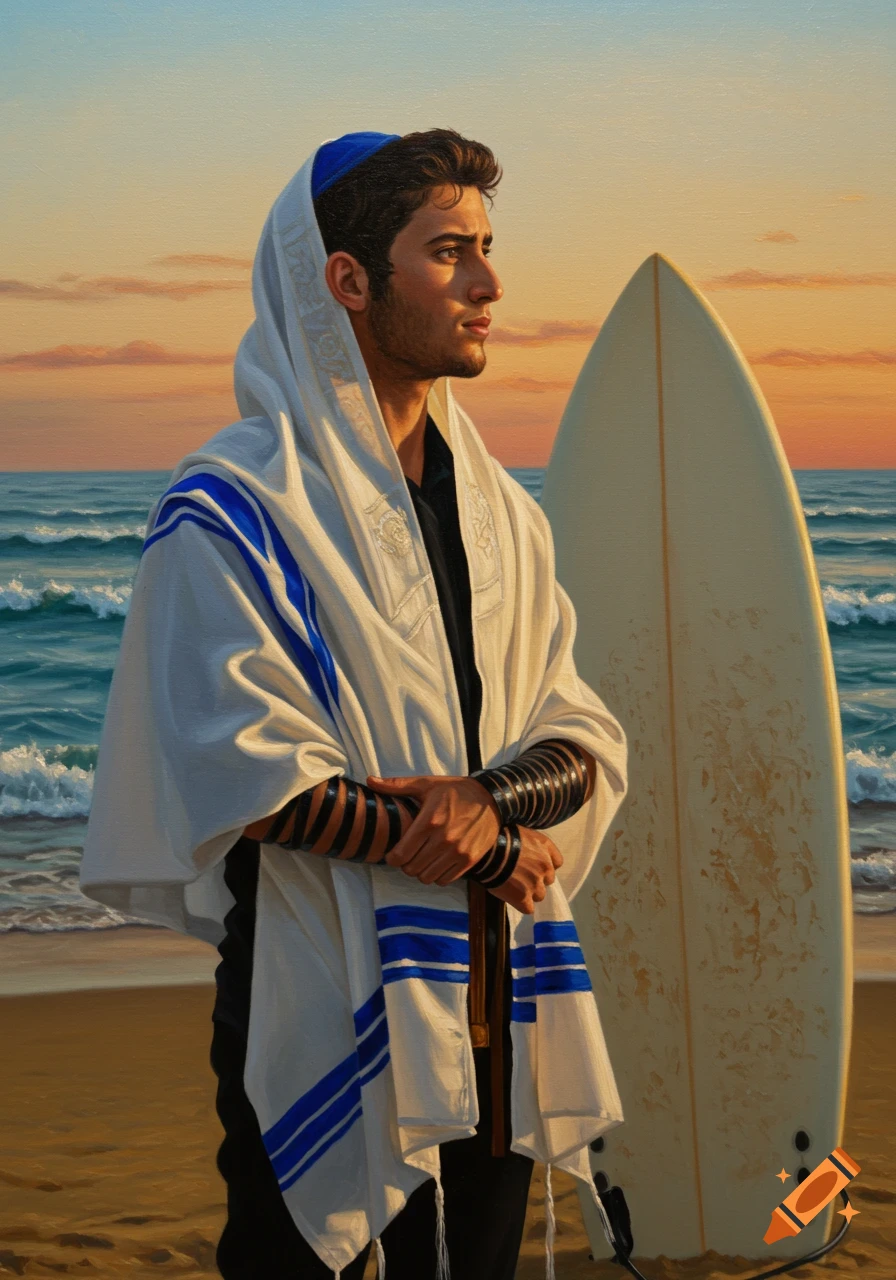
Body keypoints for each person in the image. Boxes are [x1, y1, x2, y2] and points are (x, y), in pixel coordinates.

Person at [79, 128, 629, 1280]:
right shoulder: (232, 506)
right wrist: (485, 846)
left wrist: (493, 799)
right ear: (347, 281)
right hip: (320, 988)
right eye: (448, 253)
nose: (487, 284)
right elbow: (246, 773)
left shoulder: (500, 514)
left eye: (486, 248)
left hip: (494, 993)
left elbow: (578, 732)